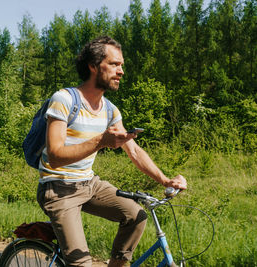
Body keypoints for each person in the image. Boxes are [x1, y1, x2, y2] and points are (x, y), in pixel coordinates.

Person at [36, 36, 187, 267]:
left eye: (122, 65)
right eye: (115, 64)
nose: (121, 71)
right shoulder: (64, 99)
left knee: (136, 217)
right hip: (58, 188)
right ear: (93, 66)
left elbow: (134, 151)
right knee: (81, 264)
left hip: (89, 184)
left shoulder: (109, 110)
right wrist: (100, 141)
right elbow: (55, 156)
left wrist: (165, 179)